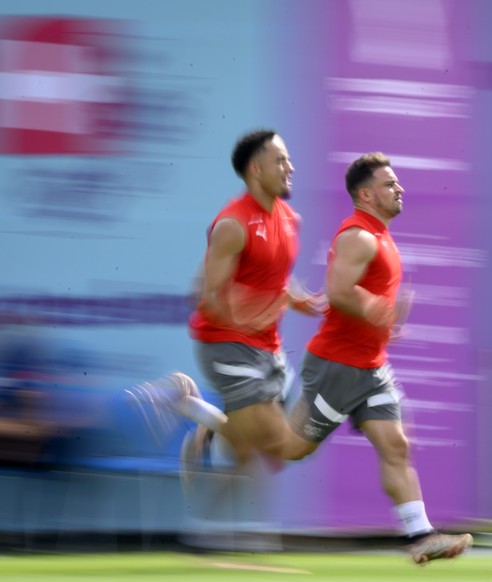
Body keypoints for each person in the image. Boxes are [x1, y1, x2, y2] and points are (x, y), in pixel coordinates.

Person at [279, 152, 472, 565]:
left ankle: (421, 536)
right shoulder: (359, 236)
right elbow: (339, 289)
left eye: (397, 182)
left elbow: (357, 296)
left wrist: (385, 326)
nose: (399, 188)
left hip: (371, 366)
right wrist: (373, 310)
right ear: (365, 194)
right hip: (337, 366)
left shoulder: (380, 235)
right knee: (290, 449)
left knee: (397, 446)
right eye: (389, 184)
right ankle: (217, 425)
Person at [128, 128, 322, 472]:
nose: (290, 167)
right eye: (281, 160)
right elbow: (205, 294)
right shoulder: (233, 224)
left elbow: (273, 279)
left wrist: (301, 301)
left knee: (269, 455)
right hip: (227, 344)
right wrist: (246, 314)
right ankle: (189, 406)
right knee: (278, 447)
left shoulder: (291, 220)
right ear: (256, 170)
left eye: (290, 159)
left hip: (267, 347)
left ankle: (196, 413)